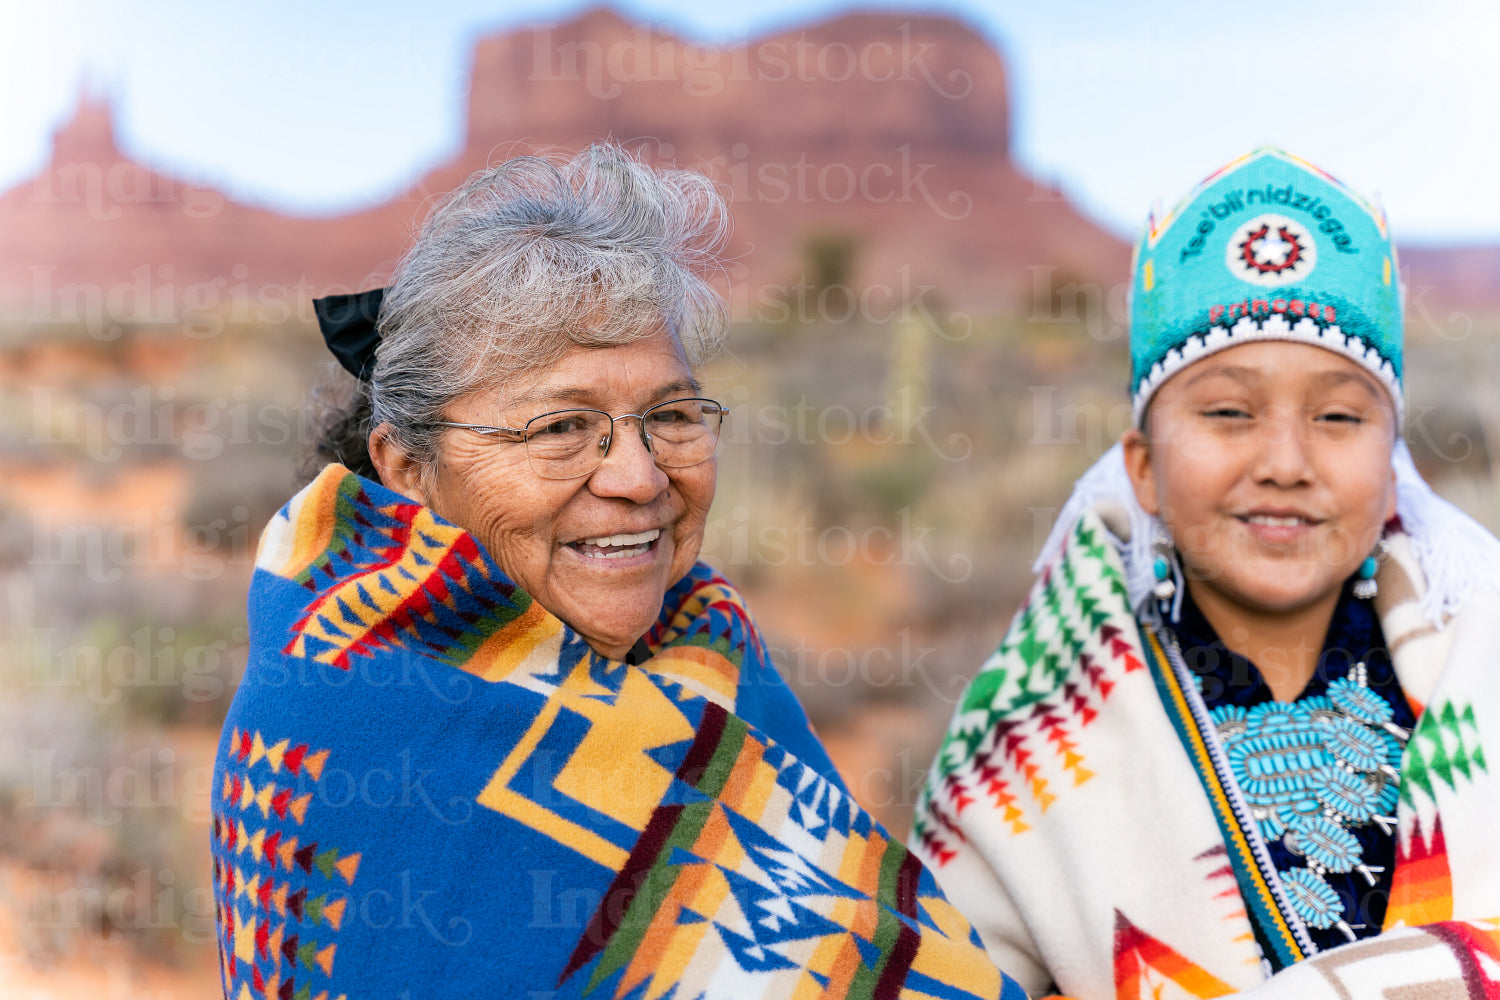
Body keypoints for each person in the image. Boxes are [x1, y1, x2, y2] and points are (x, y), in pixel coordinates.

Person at [211, 144, 1019, 1000]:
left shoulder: (708, 650)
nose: (638, 477)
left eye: (670, 415)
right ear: (409, 467)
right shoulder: (361, 726)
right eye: (560, 427)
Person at [914, 147, 1500, 999]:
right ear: (1144, 467)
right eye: (1228, 413)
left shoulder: (1481, 661)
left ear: (1392, 460)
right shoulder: (1025, 737)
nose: (1286, 462)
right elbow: (942, 977)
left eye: (1339, 416)